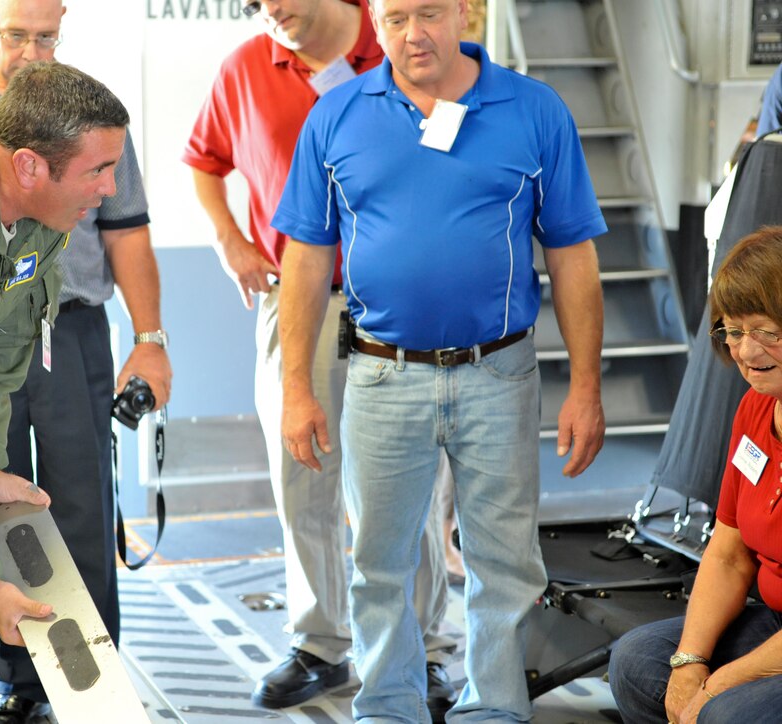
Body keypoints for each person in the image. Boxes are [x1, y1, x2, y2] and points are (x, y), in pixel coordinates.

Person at [273, 0, 608, 719]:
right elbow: (304, 258)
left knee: (505, 564)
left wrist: (587, 387)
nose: (413, 34)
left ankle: (494, 708)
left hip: (500, 372)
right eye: (395, 18)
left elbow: (573, 255)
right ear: (375, 21)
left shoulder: (534, 110)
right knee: (378, 562)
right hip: (381, 373)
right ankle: (388, 706)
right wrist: (295, 387)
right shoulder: (337, 117)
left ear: (466, 13)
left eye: (429, 13)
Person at [0, 2, 171, 721]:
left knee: (71, 503)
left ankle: (88, 683)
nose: (32, 52)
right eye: (18, 35)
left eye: (48, 36)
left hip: (65, 332)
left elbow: (123, 232)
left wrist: (151, 337)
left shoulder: (77, 143)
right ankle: (18, 681)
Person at [182, 0, 459, 715]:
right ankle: (320, 644)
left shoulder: (404, 45)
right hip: (295, 302)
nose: (267, 10)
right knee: (301, 477)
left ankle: (422, 650)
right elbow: (203, 161)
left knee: (409, 482)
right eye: (252, 3)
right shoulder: (246, 66)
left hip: (398, 302)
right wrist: (227, 241)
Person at [610, 227, 782, 724]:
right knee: (637, 664)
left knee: (724, 713)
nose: (746, 353)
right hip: (772, 620)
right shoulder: (754, 410)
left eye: (766, 330)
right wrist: (690, 664)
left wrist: (723, 682)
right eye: (733, 330)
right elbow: (728, 555)